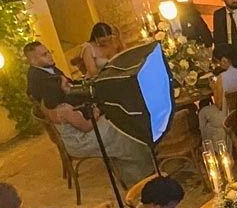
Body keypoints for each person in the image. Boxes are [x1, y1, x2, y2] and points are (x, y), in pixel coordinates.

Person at [23, 40, 153, 186]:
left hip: (78, 122)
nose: (49, 56)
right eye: (44, 54)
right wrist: (95, 111)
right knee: (120, 126)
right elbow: (85, 126)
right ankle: (141, 174)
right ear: (33, 60)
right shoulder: (49, 91)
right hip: (80, 137)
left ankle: (139, 165)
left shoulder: (51, 79)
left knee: (117, 120)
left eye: (48, 52)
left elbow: (69, 86)